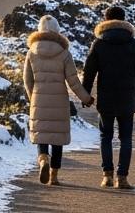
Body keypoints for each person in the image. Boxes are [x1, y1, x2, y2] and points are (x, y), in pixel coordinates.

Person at [81, 5, 135, 189]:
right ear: (124, 20)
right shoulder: (134, 44)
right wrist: (134, 90)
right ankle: (123, 178)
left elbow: (89, 71)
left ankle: (107, 176)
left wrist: (86, 94)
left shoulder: (99, 43)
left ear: (106, 20)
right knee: (126, 137)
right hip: (127, 96)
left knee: (106, 136)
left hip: (106, 97)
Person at [22, 14, 93, 185]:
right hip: (59, 100)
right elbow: (73, 81)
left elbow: (27, 80)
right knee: (57, 138)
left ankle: (43, 159)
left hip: (39, 99)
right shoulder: (64, 53)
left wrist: (33, 98)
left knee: (41, 135)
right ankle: (53, 176)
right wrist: (86, 98)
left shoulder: (32, 52)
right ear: (57, 30)